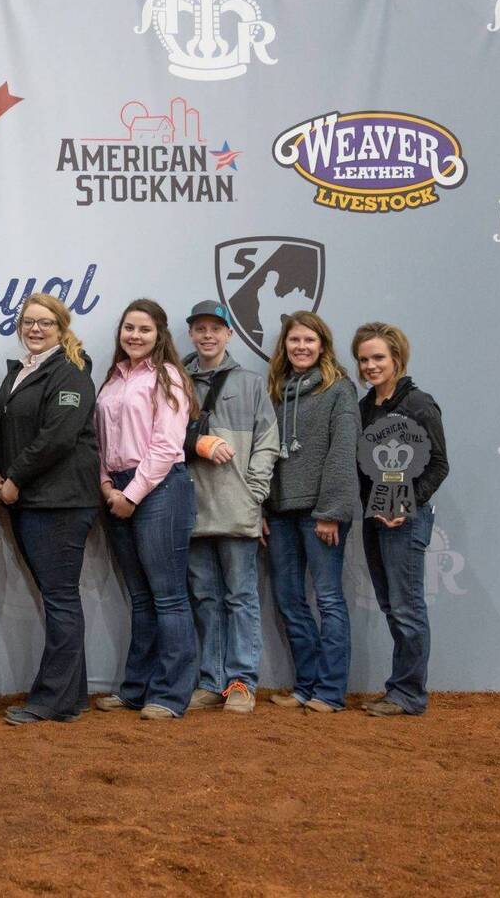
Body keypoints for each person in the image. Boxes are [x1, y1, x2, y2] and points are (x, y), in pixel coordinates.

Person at [0, 292, 100, 726]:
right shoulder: (22, 372)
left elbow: (57, 435)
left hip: (59, 501)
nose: (35, 330)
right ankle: (71, 698)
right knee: (59, 599)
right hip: (34, 499)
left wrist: (15, 477)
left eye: (45, 323)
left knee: (60, 600)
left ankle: (51, 700)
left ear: (62, 328)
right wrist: (1, 474)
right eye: (28, 323)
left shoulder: (71, 372)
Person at [94, 299, 199, 720]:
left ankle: (171, 695)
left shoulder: (168, 377)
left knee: (169, 597)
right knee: (141, 598)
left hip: (158, 488)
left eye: (144, 329)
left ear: (159, 335)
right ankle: (137, 688)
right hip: (116, 487)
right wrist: (105, 483)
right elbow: (102, 440)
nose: (134, 336)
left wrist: (132, 495)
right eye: (129, 328)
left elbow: (167, 446)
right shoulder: (113, 379)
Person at [182, 300, 280, 715]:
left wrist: (253, 494)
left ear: (228, 335)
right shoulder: (176, 382)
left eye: (215, 329)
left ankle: (241, 682)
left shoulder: (252, 383)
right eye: (200, 328)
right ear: (191, 334)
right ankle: (210, 680)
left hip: (237, 509)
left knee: (240, 597)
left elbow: (267, 443)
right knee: (205, 596)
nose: (207, 336)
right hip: (191, 508)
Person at [263, 311, 361, 714]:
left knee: (329, 600)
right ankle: (306, 685)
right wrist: (264, 507)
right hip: (281, 512)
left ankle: (331, 692)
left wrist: (331, 511)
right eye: (294, 340)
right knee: (289, 600)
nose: (301, 347)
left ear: (322, 345)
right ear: (284, 345)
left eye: (309, 340)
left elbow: (343, 452)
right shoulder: (275, 391)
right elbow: (266, 453)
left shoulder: (340, 390)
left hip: (321, 514)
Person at [353, 321, 449, 718]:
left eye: (378, 357)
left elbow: (439, 465)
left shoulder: (419, 404)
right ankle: (400, 689)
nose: (371, 366)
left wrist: (404, 505)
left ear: (397, 359)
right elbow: (361, 468)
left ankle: (409, 694)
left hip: (406, 521)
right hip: (375, 518)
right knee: (392, 606)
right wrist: (375, 507)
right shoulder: (364, 407)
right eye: (363, 359)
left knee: (407, 608)